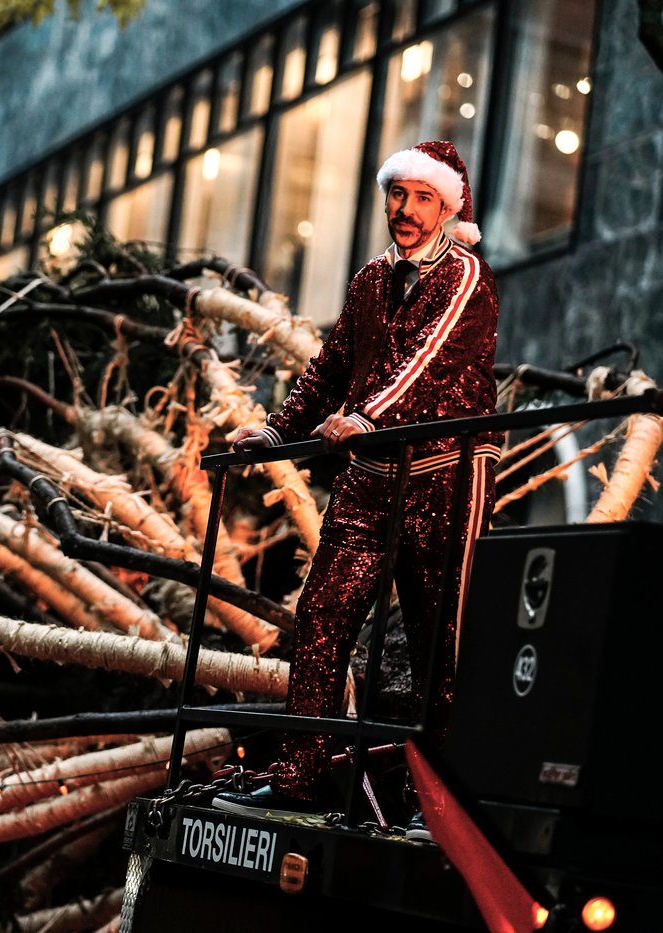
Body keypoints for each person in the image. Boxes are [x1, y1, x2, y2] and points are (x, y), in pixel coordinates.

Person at [212, 141, 501, 834]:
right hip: (371, 480)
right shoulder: (372, 277)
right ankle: (299, 780)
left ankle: (446, 807)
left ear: (447, 206)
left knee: (444, 642)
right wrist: (277, 430)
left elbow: (425, 362)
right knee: (321, 618)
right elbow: (334, 363)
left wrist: (368, 415)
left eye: (421, 197)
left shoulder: (466, 277)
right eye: (396, 194)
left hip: (443, 477)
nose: (404, 209)